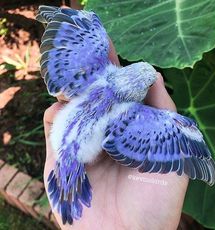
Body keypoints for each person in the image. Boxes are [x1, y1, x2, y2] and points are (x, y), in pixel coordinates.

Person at [43, 40, 188, 230]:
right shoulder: (132, 113)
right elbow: (178, 137)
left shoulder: (97, 73)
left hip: (65, 133)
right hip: (79, 145)